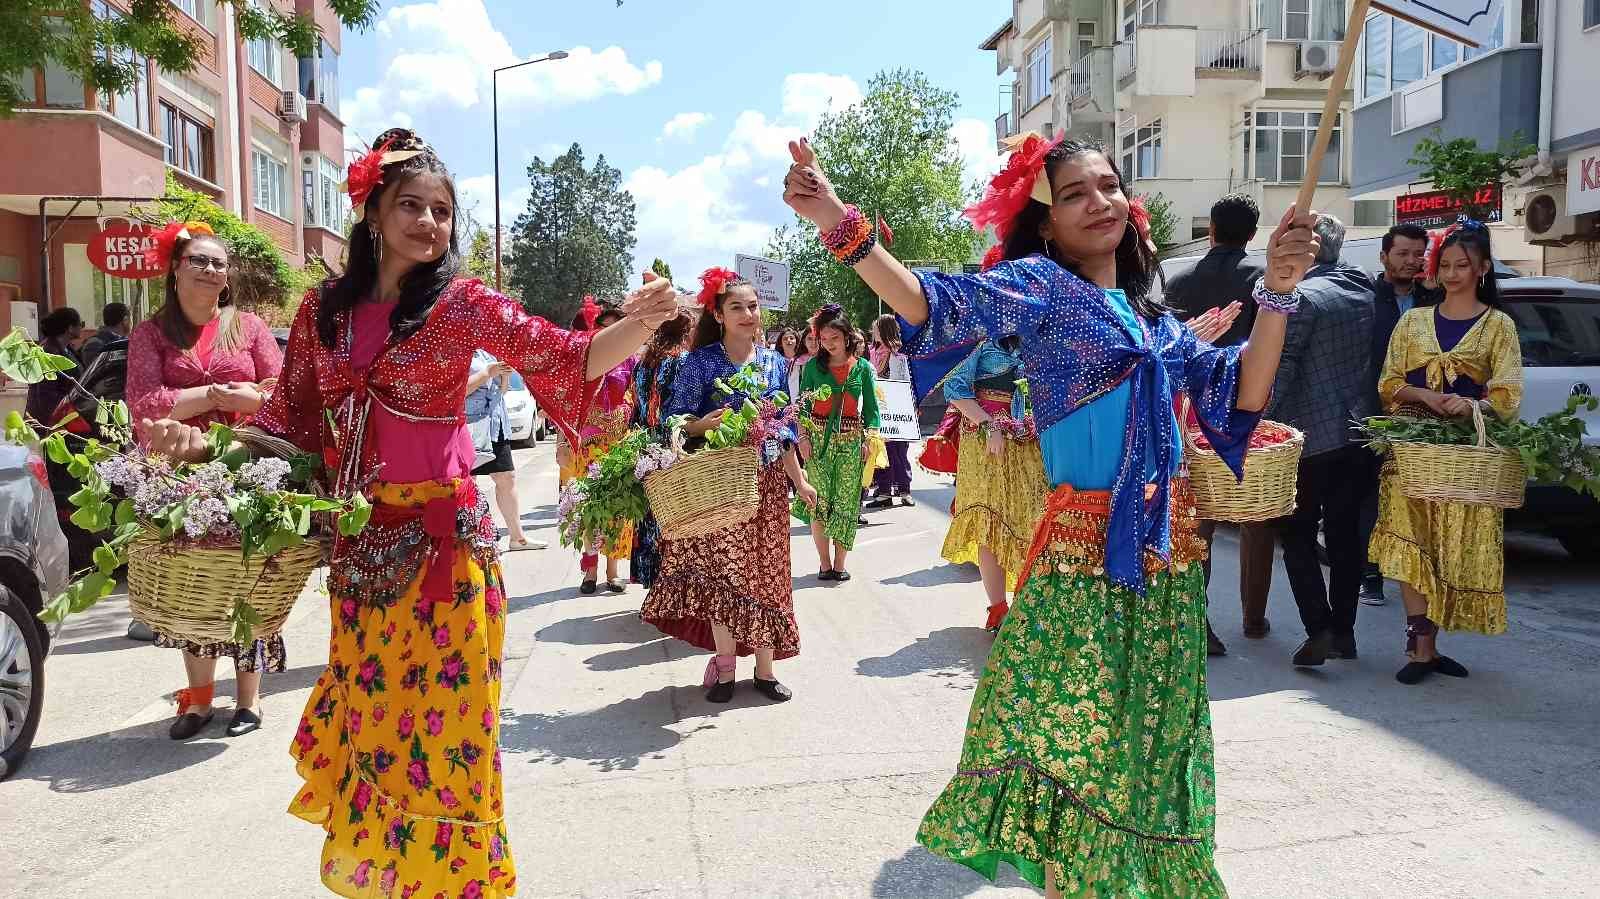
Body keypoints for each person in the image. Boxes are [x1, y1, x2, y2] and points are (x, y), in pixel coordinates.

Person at [140, 128, 678, 898]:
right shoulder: (323, 311)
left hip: (448, 562)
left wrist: (642, 325)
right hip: (363, 564)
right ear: (372, 213)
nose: (431, 222)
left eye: (443, 210)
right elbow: (289, 427)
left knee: (451, 743)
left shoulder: (460, 305)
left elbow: (559, 353)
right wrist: (197, 448)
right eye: (413, 206)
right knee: (379, 740)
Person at [783, 131, 1316, 896]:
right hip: (1080, 555)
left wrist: (1279, 292)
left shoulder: (1155, 322)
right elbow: (930, 300)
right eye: (1073, 193)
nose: (1097, 201)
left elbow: (1244, 398)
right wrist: (839, 219)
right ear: (1046, 224)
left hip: (1167, 568)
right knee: (1070, 744)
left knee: (1152, 752)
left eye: (1107, 186)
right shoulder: (1039, 287)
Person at [123, 221, 284, 740]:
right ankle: (196, 703)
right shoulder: (150, 334)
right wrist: (214, 395)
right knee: (195, 586)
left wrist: (247, 400)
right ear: (175, 270)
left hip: (247, 467)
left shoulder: (249, 327)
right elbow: (143, 405)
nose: (212, 270)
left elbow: (281, 392)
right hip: (178, 475)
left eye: (219, 263)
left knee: (248, 580)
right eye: (200, 261)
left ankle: (249, 700)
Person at [640, 267, 816, 703]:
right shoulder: (699, 363)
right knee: (725, 576)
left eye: (753, 306)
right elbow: (673, 421)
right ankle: (724, 669)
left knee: (769, 575)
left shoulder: (775, 363)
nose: (747, 314)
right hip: (721, 485)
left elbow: (783, 430)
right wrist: (703, 423)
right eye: (736, 307)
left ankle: (766, 670)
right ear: (718, 315)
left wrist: (802, 481)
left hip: (769, 485)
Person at [1370, 218, 1522, 686]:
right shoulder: (1413, 321)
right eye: (1445, 264)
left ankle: (1432, 644)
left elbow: (1508, 395)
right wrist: (1426, 398)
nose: (1452, 273)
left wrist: (1471, 404)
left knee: (1448, 547)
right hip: (1412, 451)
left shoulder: (1498, 325)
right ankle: (1421, 647)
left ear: (1483, 269)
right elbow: (1388, 383)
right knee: (1409, 543)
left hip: (1464, 457)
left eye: (1463, 265)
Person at [1163, 192, 1272, 657]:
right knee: (1257, 516)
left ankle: (1198, 619)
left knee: (1196, 519)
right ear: (1252, 234)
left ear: (1210, 229)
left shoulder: (1180, 278)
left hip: (1189, 410)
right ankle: (1253, 617)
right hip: (1246, 404)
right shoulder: (1262, 282)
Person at [1265, 214, 1377, 667]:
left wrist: (1260, 420)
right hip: (1362, 433)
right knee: (1348, 536)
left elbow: (1284, 365)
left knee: (1296, 534)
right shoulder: (1366, 291)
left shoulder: (1303, 299)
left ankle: (1320, 627)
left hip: (1310, 435)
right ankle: (1346, 631)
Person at [939, 334, 1047, 632]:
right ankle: (998, 609)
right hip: (987, 443)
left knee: (1033, 521)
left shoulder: (1040, 338)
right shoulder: (980, 341)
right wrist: (990, 425)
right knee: (990, 523)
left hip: (1029, 440)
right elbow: (955, 388)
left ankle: (1029, 603)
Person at [1360, 223, 1439, 607]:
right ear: (1384, 257)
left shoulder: (1435, 300)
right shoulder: (1366, 299)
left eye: (1417, 254)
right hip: (1378, 416)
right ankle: (1370, 574)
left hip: (1428, 416)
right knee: (1372, 498)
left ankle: (1421, 580)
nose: (1411, 261)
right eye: (1402, 254)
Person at [792, 304, 881, 582]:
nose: (829, 345)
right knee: (819, 503)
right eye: (824, 340)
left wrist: (870, 438)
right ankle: (824, 564)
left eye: (835, 338)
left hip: (852, 442)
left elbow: (872, 411)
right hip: (817, 441)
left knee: (846, 502)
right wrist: (803, 437)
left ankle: (840, 565)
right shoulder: (812, 368)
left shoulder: (863, 368)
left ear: (847, 337)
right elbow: (802, 407)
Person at [562, 298, 637, 593]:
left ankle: (613, 571)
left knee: (618, 508)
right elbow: (568, 402)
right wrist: (563, 441)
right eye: (603, 327)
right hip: (588, 446)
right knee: (590, 507)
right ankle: (589, 571)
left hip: (619, 444)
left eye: (614, 327)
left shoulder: (631, 360)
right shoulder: (584, 359)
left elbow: (639, 397)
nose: (609, 332)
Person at [629, 308, 694, 589]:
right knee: (674, 516)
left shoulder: (642, 364)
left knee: (650, 514)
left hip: (645, 445)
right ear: (684, 333)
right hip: (672, 447)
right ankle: (672, 589)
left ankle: (653, 582)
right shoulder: (681, 361)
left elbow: (635, 410)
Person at [467, 348, 545, 551]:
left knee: (506, 477)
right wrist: (488, 373)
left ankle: (517, 537)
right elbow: (458, 390)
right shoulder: (456, 351)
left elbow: (500, 392)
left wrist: (503, 377)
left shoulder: (487, 352)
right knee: (467, 482)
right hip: (471, 426)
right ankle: (469, 539)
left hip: (495, 424)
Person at [867, 314, 914, 508]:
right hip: (879, 407)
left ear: (885, 330)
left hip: (896, 408)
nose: (873, 332)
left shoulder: (897, 354)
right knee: (880, 449)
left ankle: (904, 490)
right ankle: (884, 492)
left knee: (899, 451)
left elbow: (902, 381)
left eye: (877, 328)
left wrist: (910, 407)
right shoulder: (872, 352)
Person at [25, 307, 85, 425]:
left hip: (65, 416)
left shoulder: (66, 348)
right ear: (70, 328)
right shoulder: (49, 353)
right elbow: (45, 395)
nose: (82, 328)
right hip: (51, 422)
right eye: (81, 324)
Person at [80, 301, 131, 370]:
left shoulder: (127, 342)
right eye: (131, 319)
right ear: (125, 320)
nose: (131, 323)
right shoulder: (95, 344)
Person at [789, 327, 818, 399]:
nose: (813, 342)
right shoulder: (797, 363)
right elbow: (794, 389)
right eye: (810, 339)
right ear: (804, 341)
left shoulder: (829, 360)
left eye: (817, 338)